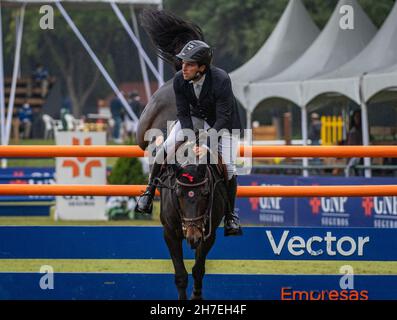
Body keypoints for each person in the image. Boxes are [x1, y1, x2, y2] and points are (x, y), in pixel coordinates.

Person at [135, 40, 243, 236]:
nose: (183, 68)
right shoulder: (179, 79)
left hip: (224, 123)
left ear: (202, 68)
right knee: (164, 149)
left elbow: (223, 117)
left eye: (189, 64)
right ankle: (149, 193)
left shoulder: (221, 80)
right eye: (183, 63)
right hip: (194, 118)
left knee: (228, 166)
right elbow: (183, 114)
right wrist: (191, 139)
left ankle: (230, 216)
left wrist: (207, 144)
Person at [345, 109, 363, 177]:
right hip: (352, 156)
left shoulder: (361, 130)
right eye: (356, 117)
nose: (357, 119)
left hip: (359, 156)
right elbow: (349, 144)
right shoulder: (352, 131)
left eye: (358, 117)